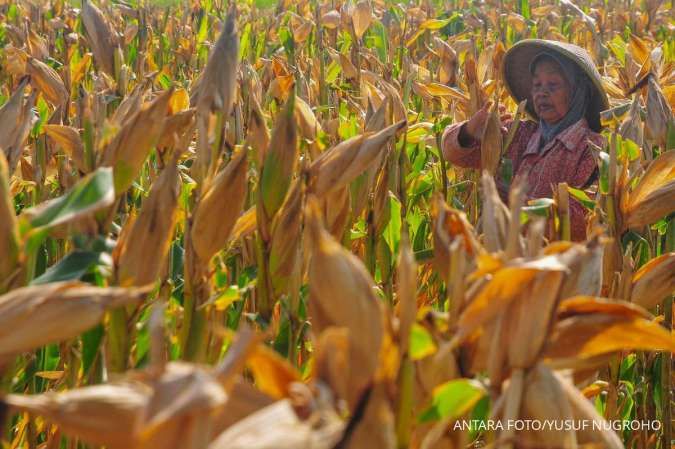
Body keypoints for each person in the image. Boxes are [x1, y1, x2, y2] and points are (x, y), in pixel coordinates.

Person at [441, 39, 609, 242]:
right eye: (537, 85)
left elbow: (581, 220)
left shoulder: (593, 150)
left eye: (553, 85)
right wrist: (470, 130)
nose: (542, 93)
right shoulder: (519, 133)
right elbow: (451, 153)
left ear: (577, 92)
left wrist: (513, 206)